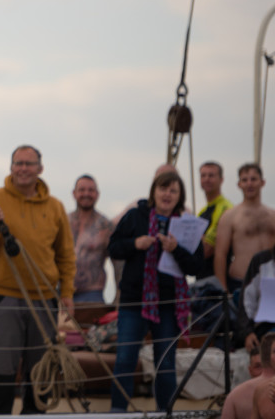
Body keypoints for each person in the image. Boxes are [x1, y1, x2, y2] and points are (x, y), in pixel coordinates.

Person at [0, 144, 75, 415]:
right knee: (1, 369)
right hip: (5, 297)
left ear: (40, 169)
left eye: (29, 164)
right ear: (11, 167)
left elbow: (65, 255)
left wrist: (67, 294)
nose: (23, 169)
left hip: (44, 299)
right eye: (19, 163)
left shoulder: (55, 207)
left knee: (40, 372)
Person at [108, 169, 203, 412]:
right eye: (163, 188)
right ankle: (117, 414)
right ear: (154, 191)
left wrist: (176, 249)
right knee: (125, 360)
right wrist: (135, 244)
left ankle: (165, 413)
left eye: (173, 190)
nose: (167, 194)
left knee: (166, 364)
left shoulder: (188, 225)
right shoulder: (135, 216)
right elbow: (114, 248)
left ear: (179, 196)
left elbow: (197, 265)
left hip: (168, 305)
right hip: (134, 302)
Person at [216, 163, 275, 295]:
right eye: (245, 180)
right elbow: (220, 255)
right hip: (241, 282)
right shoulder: (230, 216)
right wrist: (223, 290)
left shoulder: (272, 216)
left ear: (262, 182)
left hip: (270, 282)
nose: (249, 184)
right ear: (239, 184)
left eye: (253, 179)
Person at [68, 174, 113, 304]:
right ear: (74, 193)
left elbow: (117, 263)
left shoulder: (105, 226)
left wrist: (118, 296)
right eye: (82, 190)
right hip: (63, 294)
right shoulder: (63, 222)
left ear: (97, 194)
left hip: (92, 294)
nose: (86, 194)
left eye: (90, 190)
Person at [195, 161, 232, 285]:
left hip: (219, 282)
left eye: (211, 175)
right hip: (202, 278)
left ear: (221, 179)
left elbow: (206, 249)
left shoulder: (225, 208)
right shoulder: (203, 211)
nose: (207, 179)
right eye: (203, 175)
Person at [223, 334, 275, 419]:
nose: (261, 370)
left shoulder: (235, 395)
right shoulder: (259, 391)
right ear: (250, 370)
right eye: (257, 366)